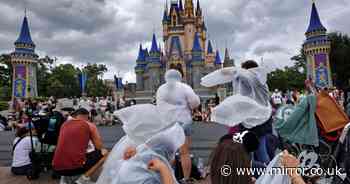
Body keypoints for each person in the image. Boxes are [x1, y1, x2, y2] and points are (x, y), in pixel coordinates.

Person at [156, 69, 201, 183]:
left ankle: (168, 177)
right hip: (183, 122)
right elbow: (195, 102)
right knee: (184, 153)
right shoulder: (184, 87)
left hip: (166, 124)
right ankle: (185, 179)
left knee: (168, 153)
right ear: (179, 76)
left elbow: (159, 106)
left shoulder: (161, 89)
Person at [52, 108, 103, 178]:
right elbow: (99, 146)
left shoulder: (64, 125)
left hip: (57, 168)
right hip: (76, 168)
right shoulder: (89, 125)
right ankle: (84, 178)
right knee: (104, 153)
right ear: (86, 116)